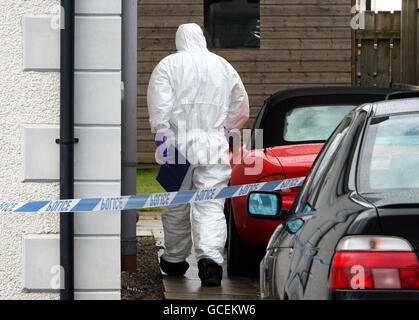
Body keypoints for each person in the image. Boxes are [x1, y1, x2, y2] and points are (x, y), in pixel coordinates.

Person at [147, 23, 249, 286]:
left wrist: (163, 140)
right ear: (202, 39)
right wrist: (224, 131)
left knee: (177, 204)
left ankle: (174, 260)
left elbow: (159, 109)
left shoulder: (168, 65)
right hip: (213, 144)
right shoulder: (223, 66)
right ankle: (210, 261)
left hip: (177, 145)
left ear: (179, 40)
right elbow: (241, 106)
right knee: (211, 204)